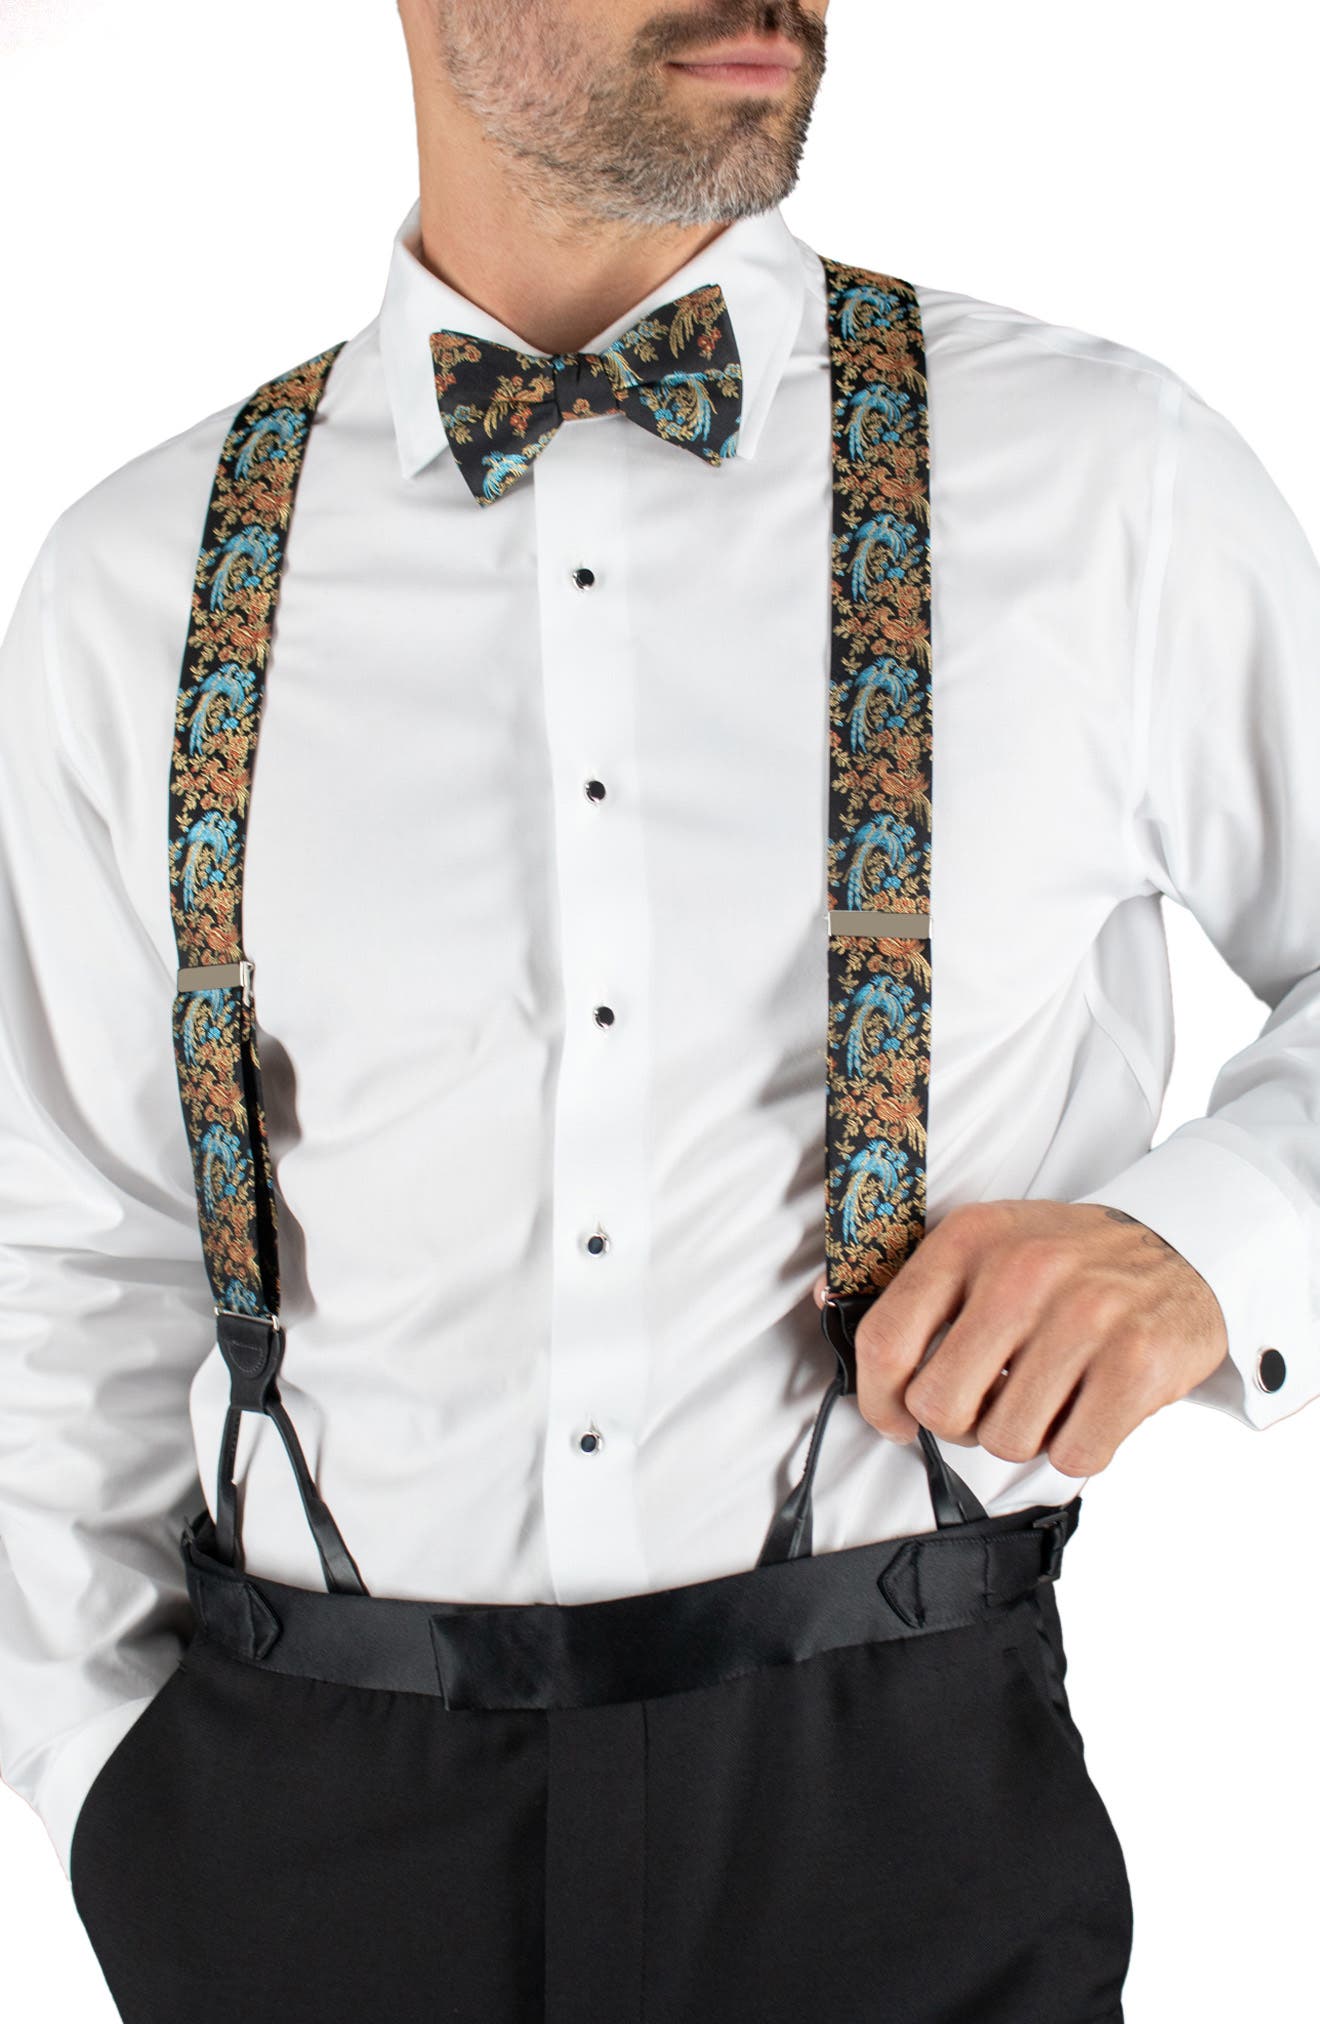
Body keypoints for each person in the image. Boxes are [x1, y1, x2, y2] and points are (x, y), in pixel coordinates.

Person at [0, 2, 1316, 2019]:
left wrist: (1215, 1241)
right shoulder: (142, 576)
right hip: (298, 1841)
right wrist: (114, 1788)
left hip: (902, 1812)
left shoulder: (1103, 477)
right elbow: (68, 1244)